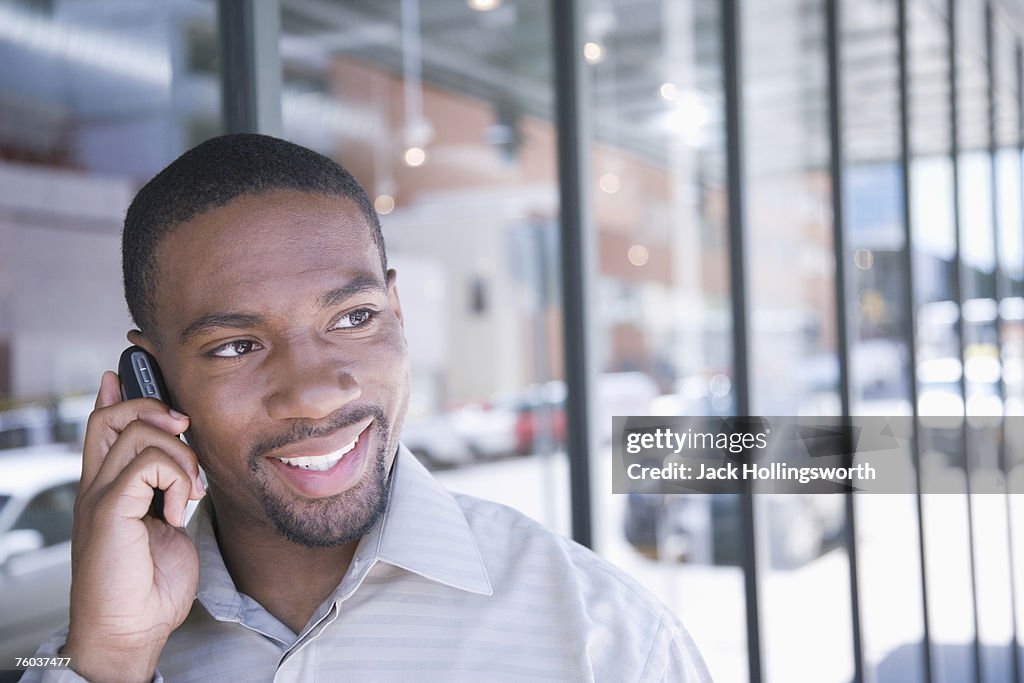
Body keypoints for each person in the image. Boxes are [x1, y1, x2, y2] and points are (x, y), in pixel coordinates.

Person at [21, 134, 712, 682]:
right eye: (236, 346)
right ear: (154, 380)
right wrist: (110, 661)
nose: (317, 390)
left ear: (398, 311)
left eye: (353, 318)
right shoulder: (86, 654)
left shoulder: (606, 640)